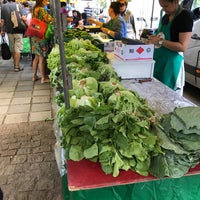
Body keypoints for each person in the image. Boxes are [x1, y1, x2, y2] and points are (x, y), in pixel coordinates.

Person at [147, 0, 193, 95]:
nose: (164, 9)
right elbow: (159, 35)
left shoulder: (184, 17)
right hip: (159, 61)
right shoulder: (165, 17)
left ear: (175, 1)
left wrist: (160, 41)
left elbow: (182, 47)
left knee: (168, 96)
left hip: (171, 66)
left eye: (166, 6)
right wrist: (152, 40)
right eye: (162, 7)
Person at [31, 0, 53, 83]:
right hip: (41, 35)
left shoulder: (34, 9)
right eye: (45, 0)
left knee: (36, 57)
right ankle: (43, 78)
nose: (46, 2)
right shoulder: (41, 9)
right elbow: (49, 19)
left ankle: (34, 76)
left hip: (34, 34)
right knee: (42, 58)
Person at [1, 0, 27, 72]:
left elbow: (2, 21)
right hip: (18, 30)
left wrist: (2, 30)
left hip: (9, 31)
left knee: (12, 48)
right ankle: (17, 66)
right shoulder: (18, 5)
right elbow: (23, 17)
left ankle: (15, 64)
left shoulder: (3, 7)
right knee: (18, 48)